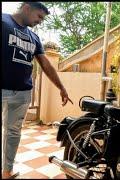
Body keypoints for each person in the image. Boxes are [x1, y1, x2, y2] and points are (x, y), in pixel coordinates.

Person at [2, 2, 73, 178]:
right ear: (27, 8)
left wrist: (61, 87)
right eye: (39, 16)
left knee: (13, 133)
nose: (40, 21)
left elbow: (46, 65)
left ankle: (6, 171)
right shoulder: (3, 21)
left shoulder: (34, 37)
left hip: (23, 93)